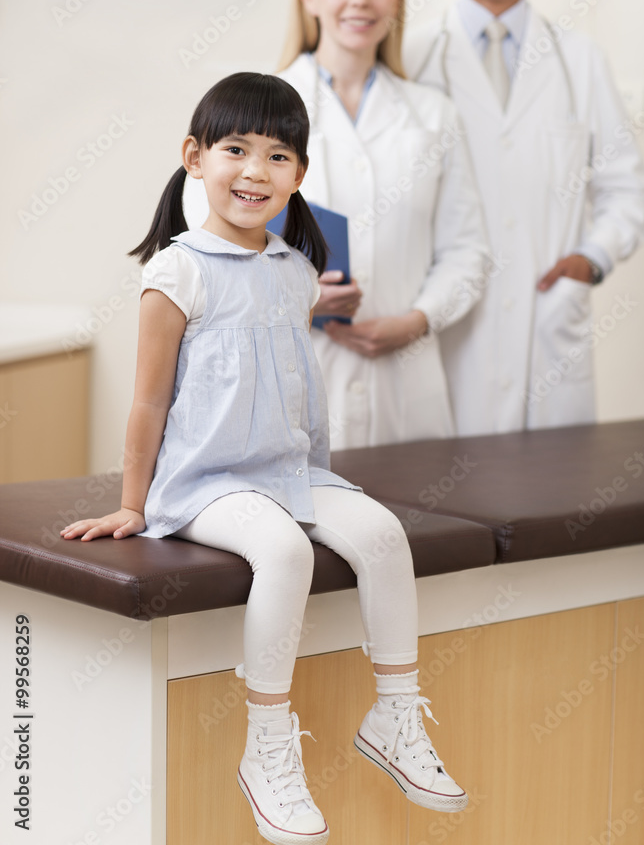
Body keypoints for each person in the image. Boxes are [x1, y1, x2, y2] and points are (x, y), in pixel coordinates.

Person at [60, 73, 469, 845]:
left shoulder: (294, 270)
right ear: (194, 157)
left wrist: (318, 469)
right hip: (205, 483)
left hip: (289, 472)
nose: (255, 170)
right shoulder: (177, 272)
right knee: (284, 552)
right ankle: (268, 745)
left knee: (383, 534)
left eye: (277, 156)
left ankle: (394, 716)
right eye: (236, 150)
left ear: (299, 174)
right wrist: (133, 503)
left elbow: (286, 375)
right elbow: (148, 401)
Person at [184, 0, 489, 450]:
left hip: (407, 389)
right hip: (286, 380)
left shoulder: (434, 116)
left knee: (417, 503)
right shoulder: (251, 110)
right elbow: (206, 252)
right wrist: (298, 298)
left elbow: (468, 252)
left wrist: (417, 321)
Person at [403, 0, 644, 437]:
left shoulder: (580, 60)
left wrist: (590, 259)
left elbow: (630, 190)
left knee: (550, 488)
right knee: (440, 486)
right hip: (444, 328)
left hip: (548, 330)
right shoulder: (411, 59)